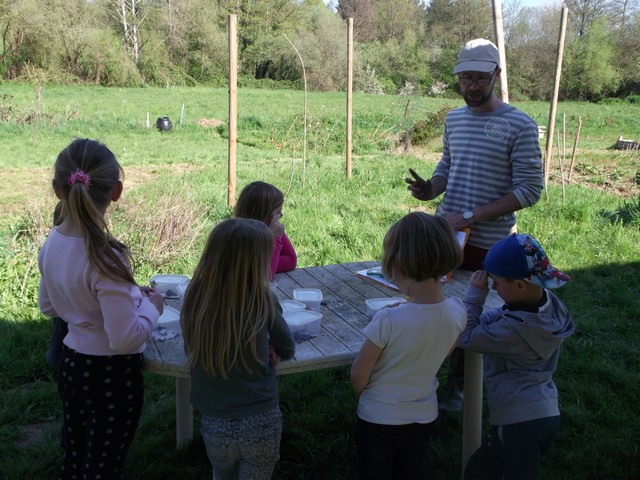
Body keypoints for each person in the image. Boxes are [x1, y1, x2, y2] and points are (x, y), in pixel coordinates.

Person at [405, 38, 544, 411]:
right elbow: (448, 166)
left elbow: (530, 190)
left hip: (490, 244)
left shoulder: (519, 125)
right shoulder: (454, 119)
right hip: (445, 237)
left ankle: (459, 387)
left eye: (481, 78)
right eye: (466, 78)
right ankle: (417, 375)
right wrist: (431, 189)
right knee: (430, 306)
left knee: (473, 314)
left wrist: (469, 216)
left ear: (496, 74)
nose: (472, 86)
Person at [38, 138, 164, 479]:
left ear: (57, 190)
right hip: (111, 375)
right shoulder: (108, 257)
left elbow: (48, 305)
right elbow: (124, 339)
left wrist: (123, 296)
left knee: (76, 453)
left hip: (71, 365)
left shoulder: (51, 242)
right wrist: (151, 307)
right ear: (116, 191)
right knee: (103, 466)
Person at [350, 212, 467, 480]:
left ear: (396, 266)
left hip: (379, 420)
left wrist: (364, 397)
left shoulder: (388, 319)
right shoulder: (458, 311)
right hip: (424, 417)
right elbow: (444, 351)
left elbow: (358, 374)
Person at [180, 218, 296, 480]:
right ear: (256, 263)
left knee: (222, 474)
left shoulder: (194, 297)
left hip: (215, 421)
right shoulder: (263, 297)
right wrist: (268, 345)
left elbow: (191, 349)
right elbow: (287, 347)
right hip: (261, 419)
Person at [458, 233, 574, 480]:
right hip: (544, 411)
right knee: (479, 470)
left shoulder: (513, 331)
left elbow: (466, 337)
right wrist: (484, 319)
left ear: (520, 285)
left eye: (496, 283)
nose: (493, 288)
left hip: (518, 423)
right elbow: (504, 314)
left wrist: (474, 299)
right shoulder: (548, 305)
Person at [234, 181, 297, 279]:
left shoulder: (273, 228)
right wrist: (275, 238)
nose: (281, 215)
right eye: (278, 212)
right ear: (263, 215)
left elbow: (291, 259)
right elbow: (265, 275)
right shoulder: (241, 237)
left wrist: (262, 266)